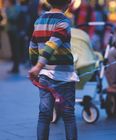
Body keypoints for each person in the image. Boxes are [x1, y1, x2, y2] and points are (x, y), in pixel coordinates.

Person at [28, 0, 79, 140]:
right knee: (68, 115)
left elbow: (32, 45)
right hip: (64, 76)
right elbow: (52, 44)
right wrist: (37, 66)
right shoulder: (64, 21)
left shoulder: (39, 21)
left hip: (44, 74)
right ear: (68, 3)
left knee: (44, 115)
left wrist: (35, 65)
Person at [5, 0, 20, 73]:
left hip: (13, 30)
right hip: (13, 30)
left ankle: (15, 67)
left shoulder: (13, 8)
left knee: (15, 49)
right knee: (14, 49)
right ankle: (15, 67)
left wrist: (7, 9)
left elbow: (11, 17)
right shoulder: (17, 7)